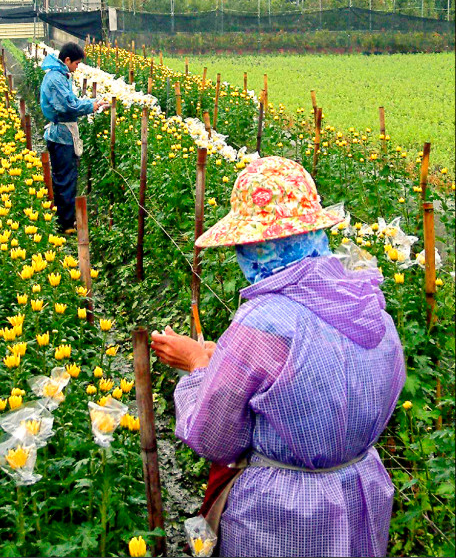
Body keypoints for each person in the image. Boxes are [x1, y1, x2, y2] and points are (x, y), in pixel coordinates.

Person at [151, 156, 405, 558]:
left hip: (283, 517)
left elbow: (213, 438)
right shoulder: (366, 303)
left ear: (258, 247)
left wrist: (201, 366)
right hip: (359, 496)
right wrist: (229, 360)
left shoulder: (264, 322)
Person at [40, 43, 108, 233]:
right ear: (67, 60)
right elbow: (68, 107)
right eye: (76, 63)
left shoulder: (59, 75)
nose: (77, 67)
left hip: (63, 133)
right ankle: (66, 223)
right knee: (65, 178)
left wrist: (94, 103)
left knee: (65, 176)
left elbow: (72, 102)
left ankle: (65, 218)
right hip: (61, 136)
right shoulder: (55, 79)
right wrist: (91, 107)